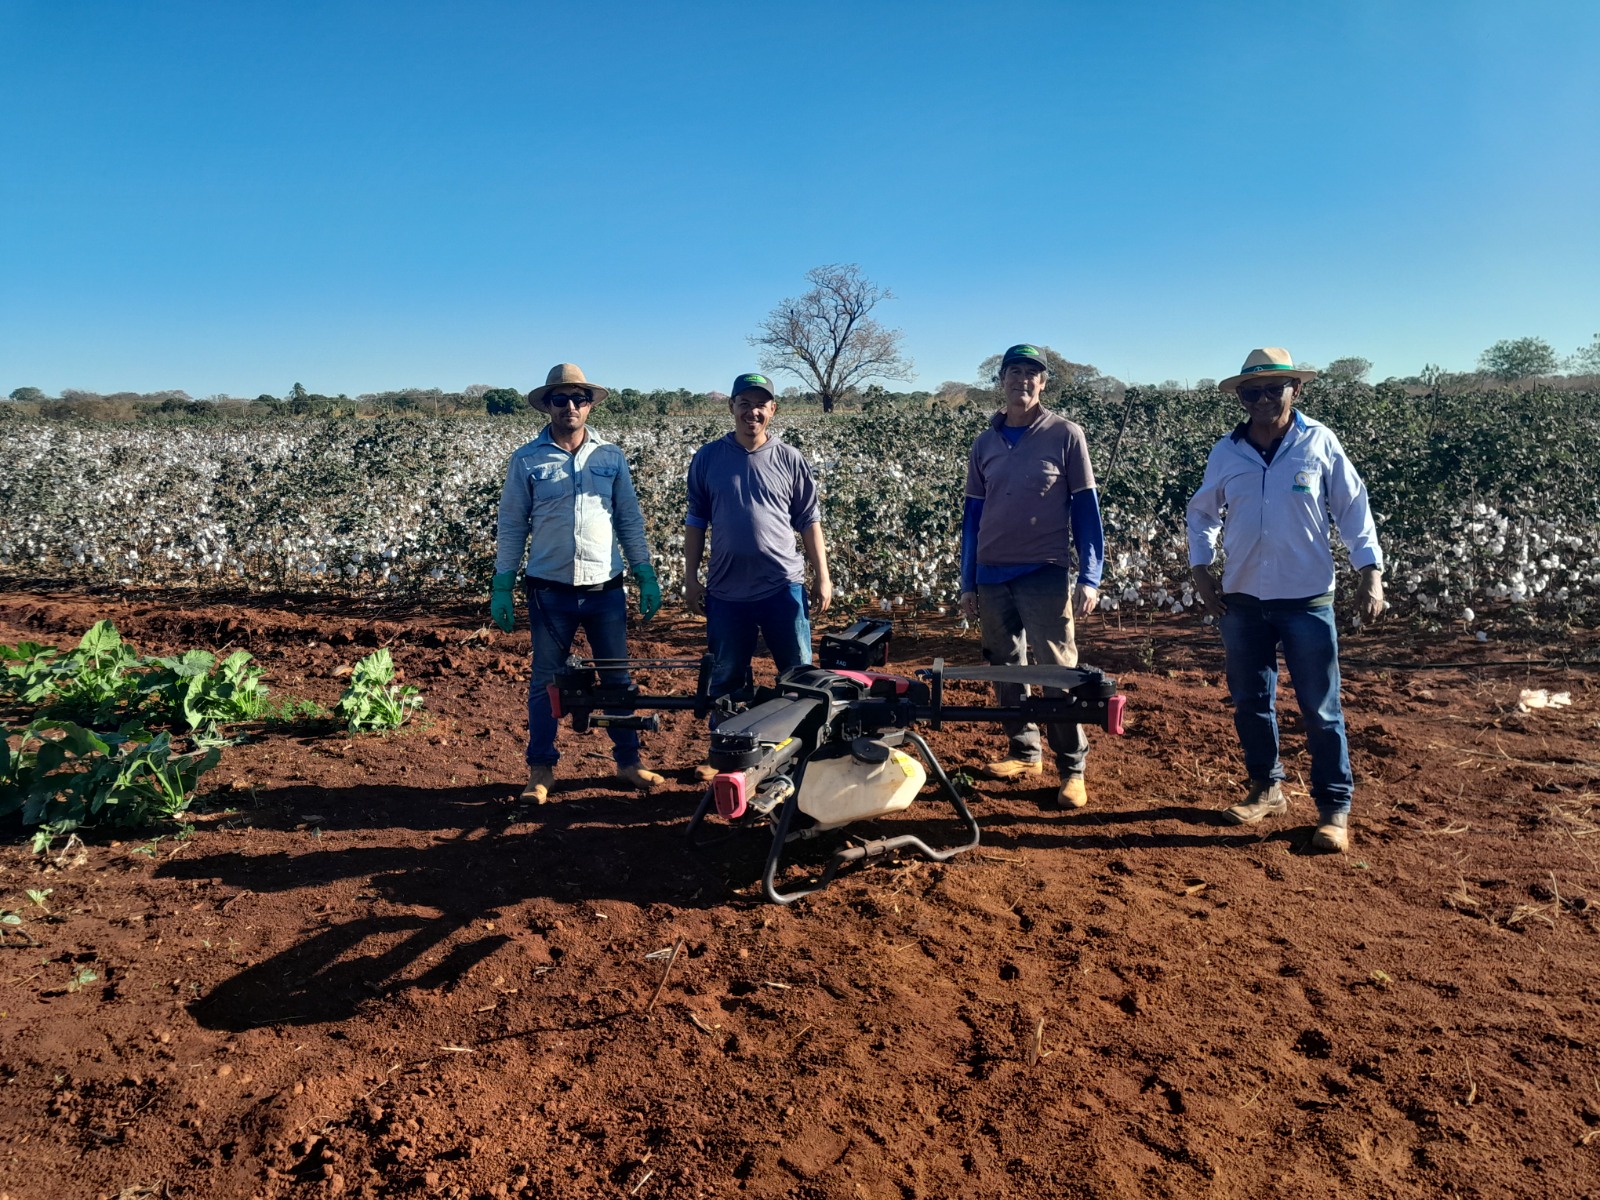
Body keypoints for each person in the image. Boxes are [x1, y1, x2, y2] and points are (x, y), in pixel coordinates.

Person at [1186, 347, 1385, 853]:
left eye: (1274, 388)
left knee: (1320, 709)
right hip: (1243, 599)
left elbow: (1353, 507)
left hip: (1306, 598)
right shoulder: (1226, 451)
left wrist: (1371, 572)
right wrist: (1201, 568)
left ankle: (1333, 809)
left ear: (1297, 390)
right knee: (1251, 701)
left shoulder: (1318, 443)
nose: (1262, 399)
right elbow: (1203, 512)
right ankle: (1267, 788)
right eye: (1251, 392)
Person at [490, 363, 665, 803]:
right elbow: (512, 523)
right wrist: (503, 581)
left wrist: (644, 572)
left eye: (579, 399)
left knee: (617, 680)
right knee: (546, 682)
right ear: (547, 406)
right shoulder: (527, 459)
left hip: (605, 588)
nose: (571, 406)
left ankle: (629, 762)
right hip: (549, 591)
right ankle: (541, 770)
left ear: (589, 405)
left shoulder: (611, 457)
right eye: (561, 399)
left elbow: (628, 519)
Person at [959, 344, 1104, 809]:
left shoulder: (1066, 435)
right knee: (1005, 665)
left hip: (1044, 570)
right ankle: (1024, 751)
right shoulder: (984, 443)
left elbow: (1086, 510)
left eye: (1032, 373)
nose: (1022, 380)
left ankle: (1072, 767)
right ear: (1000, 380)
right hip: (992, 572)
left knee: (1057, 668)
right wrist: (967, 581)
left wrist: (1091, 576)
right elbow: (971, 518)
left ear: (1043, 383)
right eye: (1014, 372)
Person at [683, 372, 832, 729]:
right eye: (745, 404)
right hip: (726, 589)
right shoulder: (707, 458)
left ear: (773, 410)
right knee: (727, 680)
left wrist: (822, 577)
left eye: (761, 405)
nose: (753, 412)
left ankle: (798, 754)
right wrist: (690, 579)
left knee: (799, 678)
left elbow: (810, 522)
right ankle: (727, 752)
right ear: (732, 407)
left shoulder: (790, 459)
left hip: (783, 586)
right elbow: (696, 521)